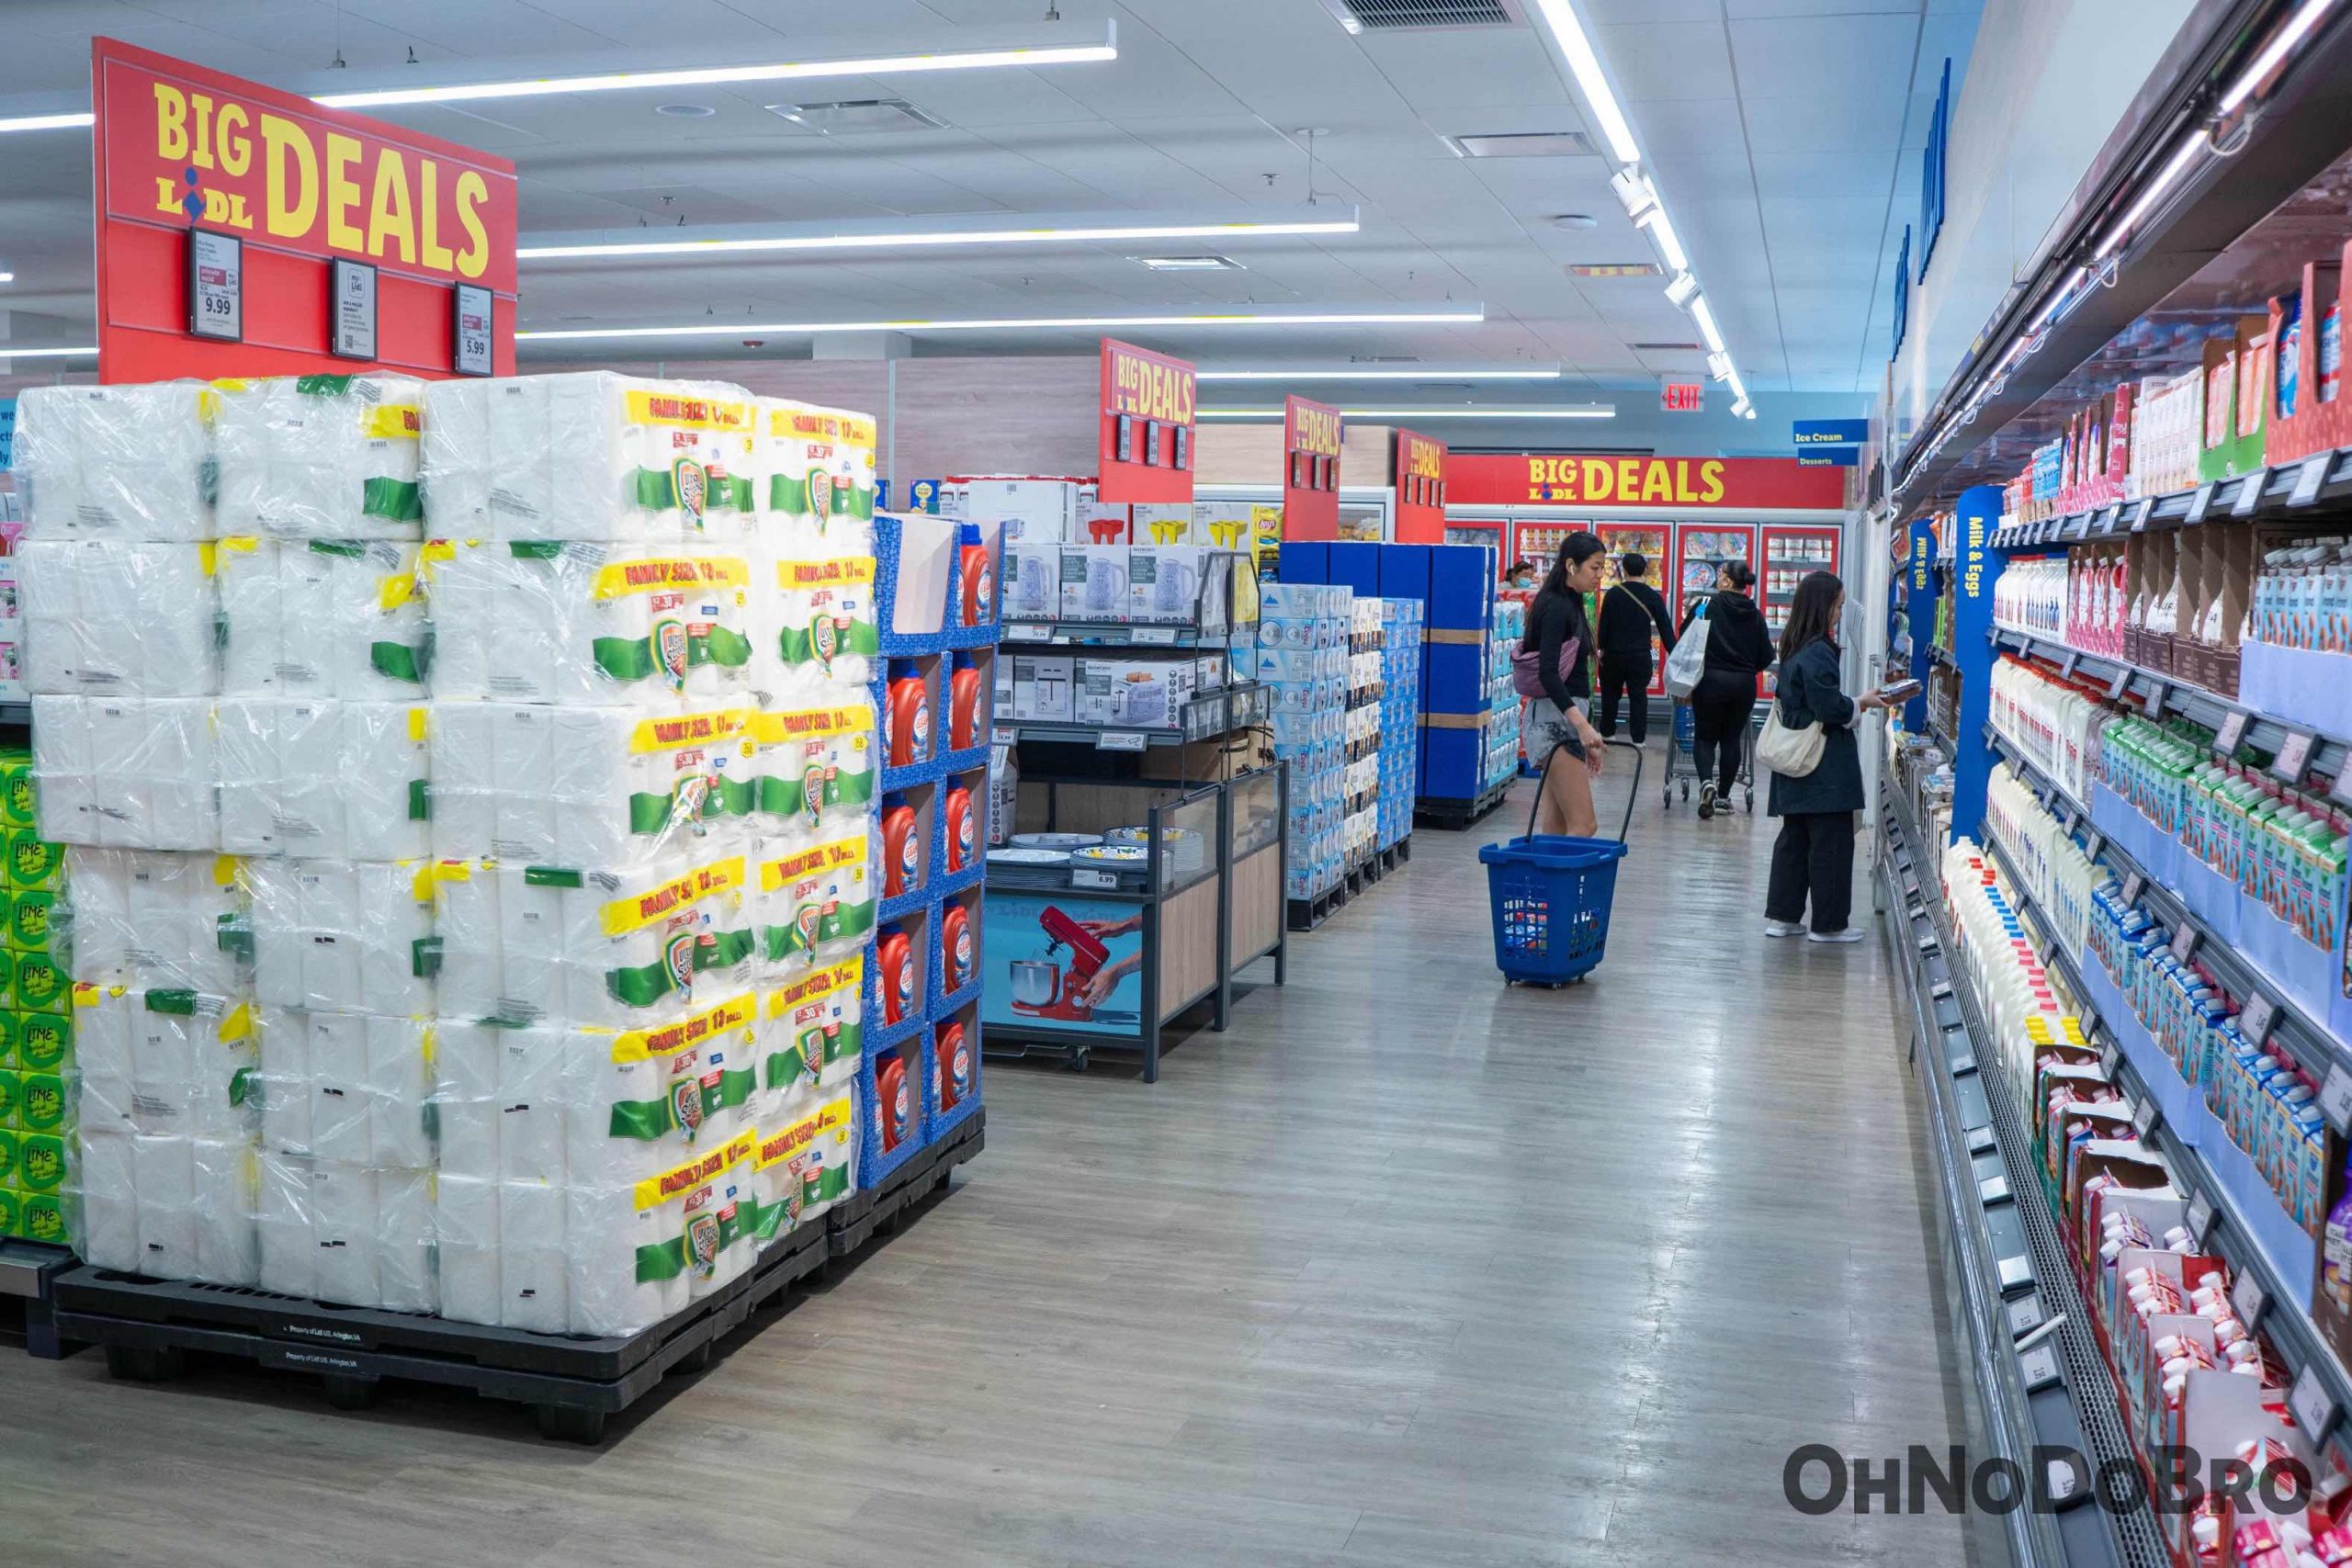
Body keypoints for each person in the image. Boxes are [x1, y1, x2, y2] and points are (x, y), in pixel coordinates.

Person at [1763, 570, 1897, 942]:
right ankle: (1829, 924)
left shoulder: (1792, 644)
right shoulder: (1819, 651)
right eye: (1837, 606)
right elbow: (1829, 708)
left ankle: (1783, 917)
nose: (1839, 615)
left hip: (1794, 757)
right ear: (1822, 607)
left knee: (1794, 840)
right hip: (1822, 764)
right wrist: (1861, 703)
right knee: (1832, 842)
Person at [1523, 532, 1609, 837]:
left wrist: (1585, 731)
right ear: (1572, 565)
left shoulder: (1571, 601)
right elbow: (1548, 673)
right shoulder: (1557, 606)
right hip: (1553, 724)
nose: (1599, 575)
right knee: (1584, 825)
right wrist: (1583, 728)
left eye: (1602, 568)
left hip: (1561, 720)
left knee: (1556, 827)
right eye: (1594, 567)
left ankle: (1545, 871)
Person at [1677, 561, 1774, 820]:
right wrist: (1746, 669)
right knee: (1731, 739)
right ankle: (1722, 798)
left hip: (1710, 681)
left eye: (1721, 575)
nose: (1718, 579)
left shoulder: (1706, 605)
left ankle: (1706, 782)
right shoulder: (1755, 615)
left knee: (1705, 737)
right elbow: (1767, 655)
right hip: (1743, 685)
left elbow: (1684, 634)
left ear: (1728, 581)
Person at [1595, 552, 1677, 745]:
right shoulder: (1652, 596)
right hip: (1640, 655)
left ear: (1624, 570)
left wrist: (1600, 648)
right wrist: (1674, 653)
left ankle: (1607, 733)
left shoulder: (1613, 594)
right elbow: (1665, 628)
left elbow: (1603, 625)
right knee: (1638, 696)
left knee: (1610, 694)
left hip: (1613, 654)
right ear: (1645, 570)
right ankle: (1638, 739)